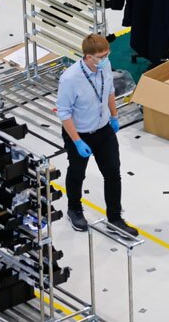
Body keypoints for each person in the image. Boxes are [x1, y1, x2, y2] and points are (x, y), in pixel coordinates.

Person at [56, 34, 138, 238]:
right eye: (101, 56)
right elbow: (64, 113)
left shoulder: (104, 69)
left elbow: (110, 92)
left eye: (107, 55)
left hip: (103, 130)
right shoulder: (70, 79)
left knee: (113, 174)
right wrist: (76, 141)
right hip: (79, 133)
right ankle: (74, 209)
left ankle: (115, 218)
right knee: (77, 173)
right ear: (88, 56)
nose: (105, 59)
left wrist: (115, 116)